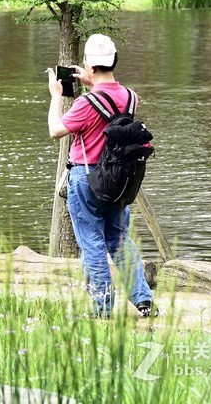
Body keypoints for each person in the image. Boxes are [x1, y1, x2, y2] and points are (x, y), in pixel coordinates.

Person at [47, 33, 155, 318]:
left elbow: (55, 130)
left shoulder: (85, 104)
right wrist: (91, 80)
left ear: (90, 66)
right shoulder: (131, 98)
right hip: (120, 180)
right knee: (119, 240)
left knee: (92, 243)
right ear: (114, 61)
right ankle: (143, 301)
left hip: (87, 179)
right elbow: (111, 99)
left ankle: (102, 308)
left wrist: (56, 97)